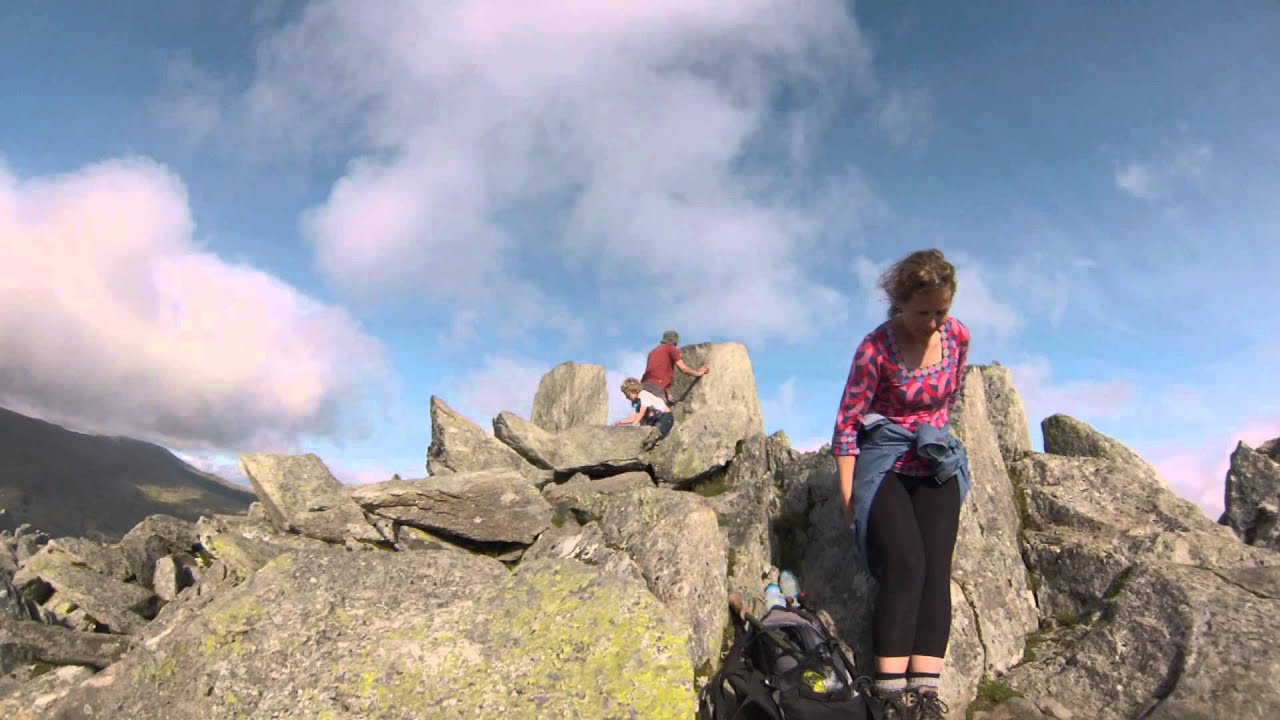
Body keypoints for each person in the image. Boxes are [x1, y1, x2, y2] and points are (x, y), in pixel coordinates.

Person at [830, 249, 971, 719]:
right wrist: (849, 493)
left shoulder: (957, 337)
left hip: (934, 457)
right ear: (898, 303)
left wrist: (936, 438)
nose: (933, 321)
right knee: (907, 562)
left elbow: (952, 394)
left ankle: (926, 694)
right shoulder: (875, 349)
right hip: (885, 456)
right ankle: (889, 695)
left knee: (935, 567)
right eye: (922, 311)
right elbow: (849, 423)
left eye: (941, 311)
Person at [640, 330, 708, 404]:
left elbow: (658, 371)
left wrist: (668, 394)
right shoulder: (670, 348)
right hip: (656, 387)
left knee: (646, 411)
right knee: (661, 412)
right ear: (675, 341)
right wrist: (698, 373)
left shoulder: (653, 352)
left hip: (644, 386)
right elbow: (683, 368)